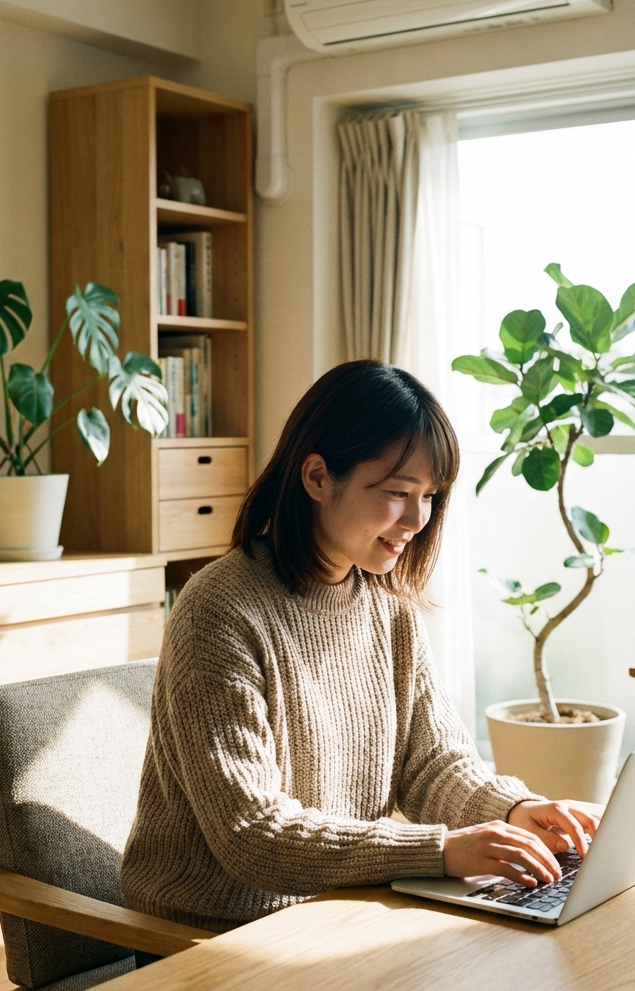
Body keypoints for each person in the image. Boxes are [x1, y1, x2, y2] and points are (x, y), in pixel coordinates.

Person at [121, 360, 602, 934]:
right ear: (318, 477)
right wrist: (441, 850)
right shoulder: (218, 610)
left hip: (339, 911)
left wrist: (515, 812)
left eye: (430, 496)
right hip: (210, 936)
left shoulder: (385, 606)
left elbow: (432, 764)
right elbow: (252, 834)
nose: (418, 520)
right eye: (399, 493)